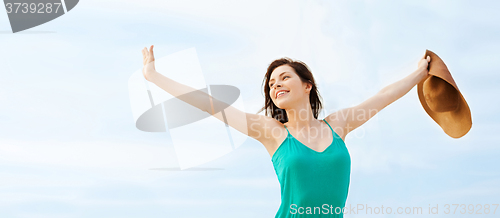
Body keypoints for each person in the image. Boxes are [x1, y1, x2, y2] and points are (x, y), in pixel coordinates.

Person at [141, 45, 431, 217]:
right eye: (271, 83)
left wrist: (420, 73)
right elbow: (211, 105)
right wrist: (153, 76)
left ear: (307, 85)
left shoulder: (338, 124)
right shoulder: (272, 132)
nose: (275, 84)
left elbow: (383, 97)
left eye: (284, 77)